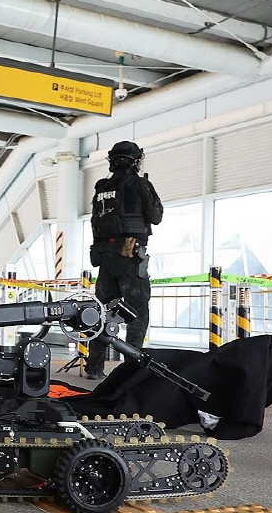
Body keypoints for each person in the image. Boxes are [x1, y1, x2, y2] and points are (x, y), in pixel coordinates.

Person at [85, 141, 163, 380]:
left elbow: (96, 221)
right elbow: (156, 216)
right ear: (135, 161)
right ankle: (131, 369)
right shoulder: (140, 184)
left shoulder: (102, 187)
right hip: (129, 257)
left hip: (105, 258)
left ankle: (93, 367)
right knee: (137, 313)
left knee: (101, 313)